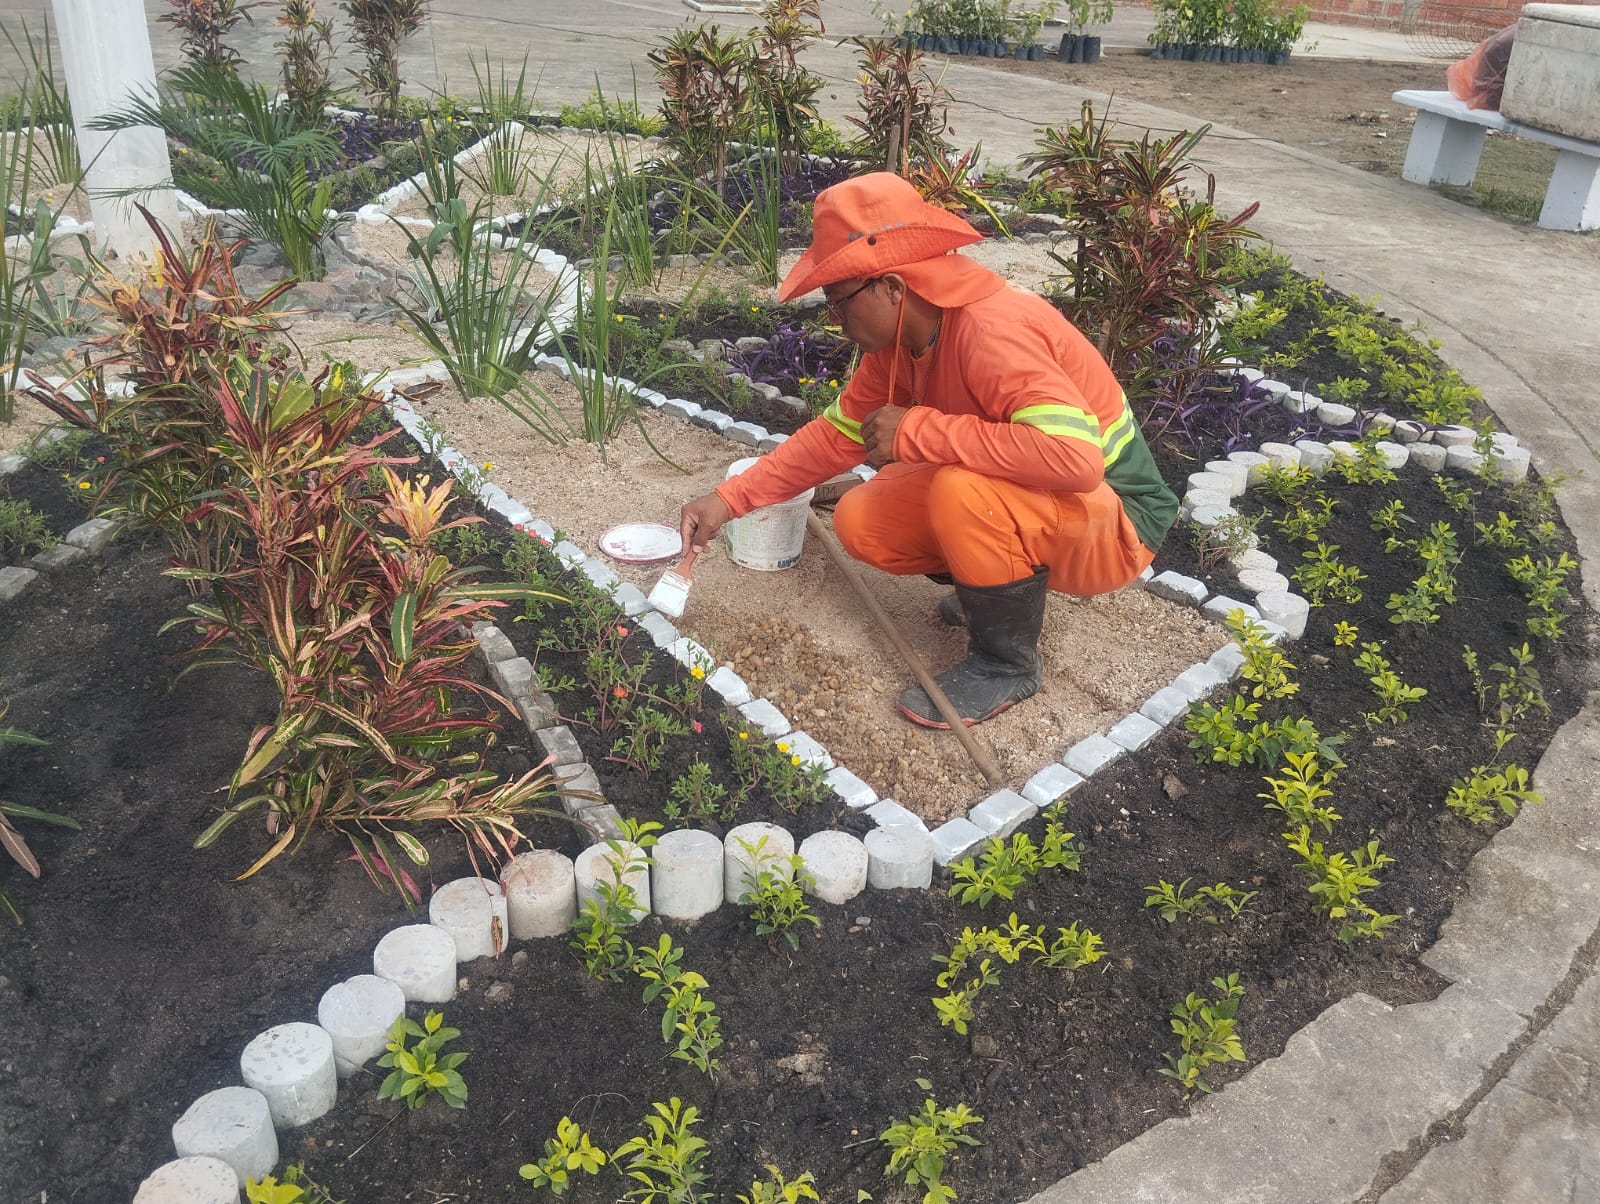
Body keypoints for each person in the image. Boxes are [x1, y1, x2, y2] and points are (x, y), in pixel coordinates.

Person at [677, 172, 1178, 729]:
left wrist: (919, 431)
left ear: (892, 286)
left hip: (1118, 522)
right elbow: (834, 436)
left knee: (960, 489)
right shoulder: (898, 347)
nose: (837, 322)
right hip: (1049, 504)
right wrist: (727, 501)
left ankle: (1006, 662)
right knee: (864, 517)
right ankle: (988, 586)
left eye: (840, 303)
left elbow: (1075, 460)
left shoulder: (992, 332)